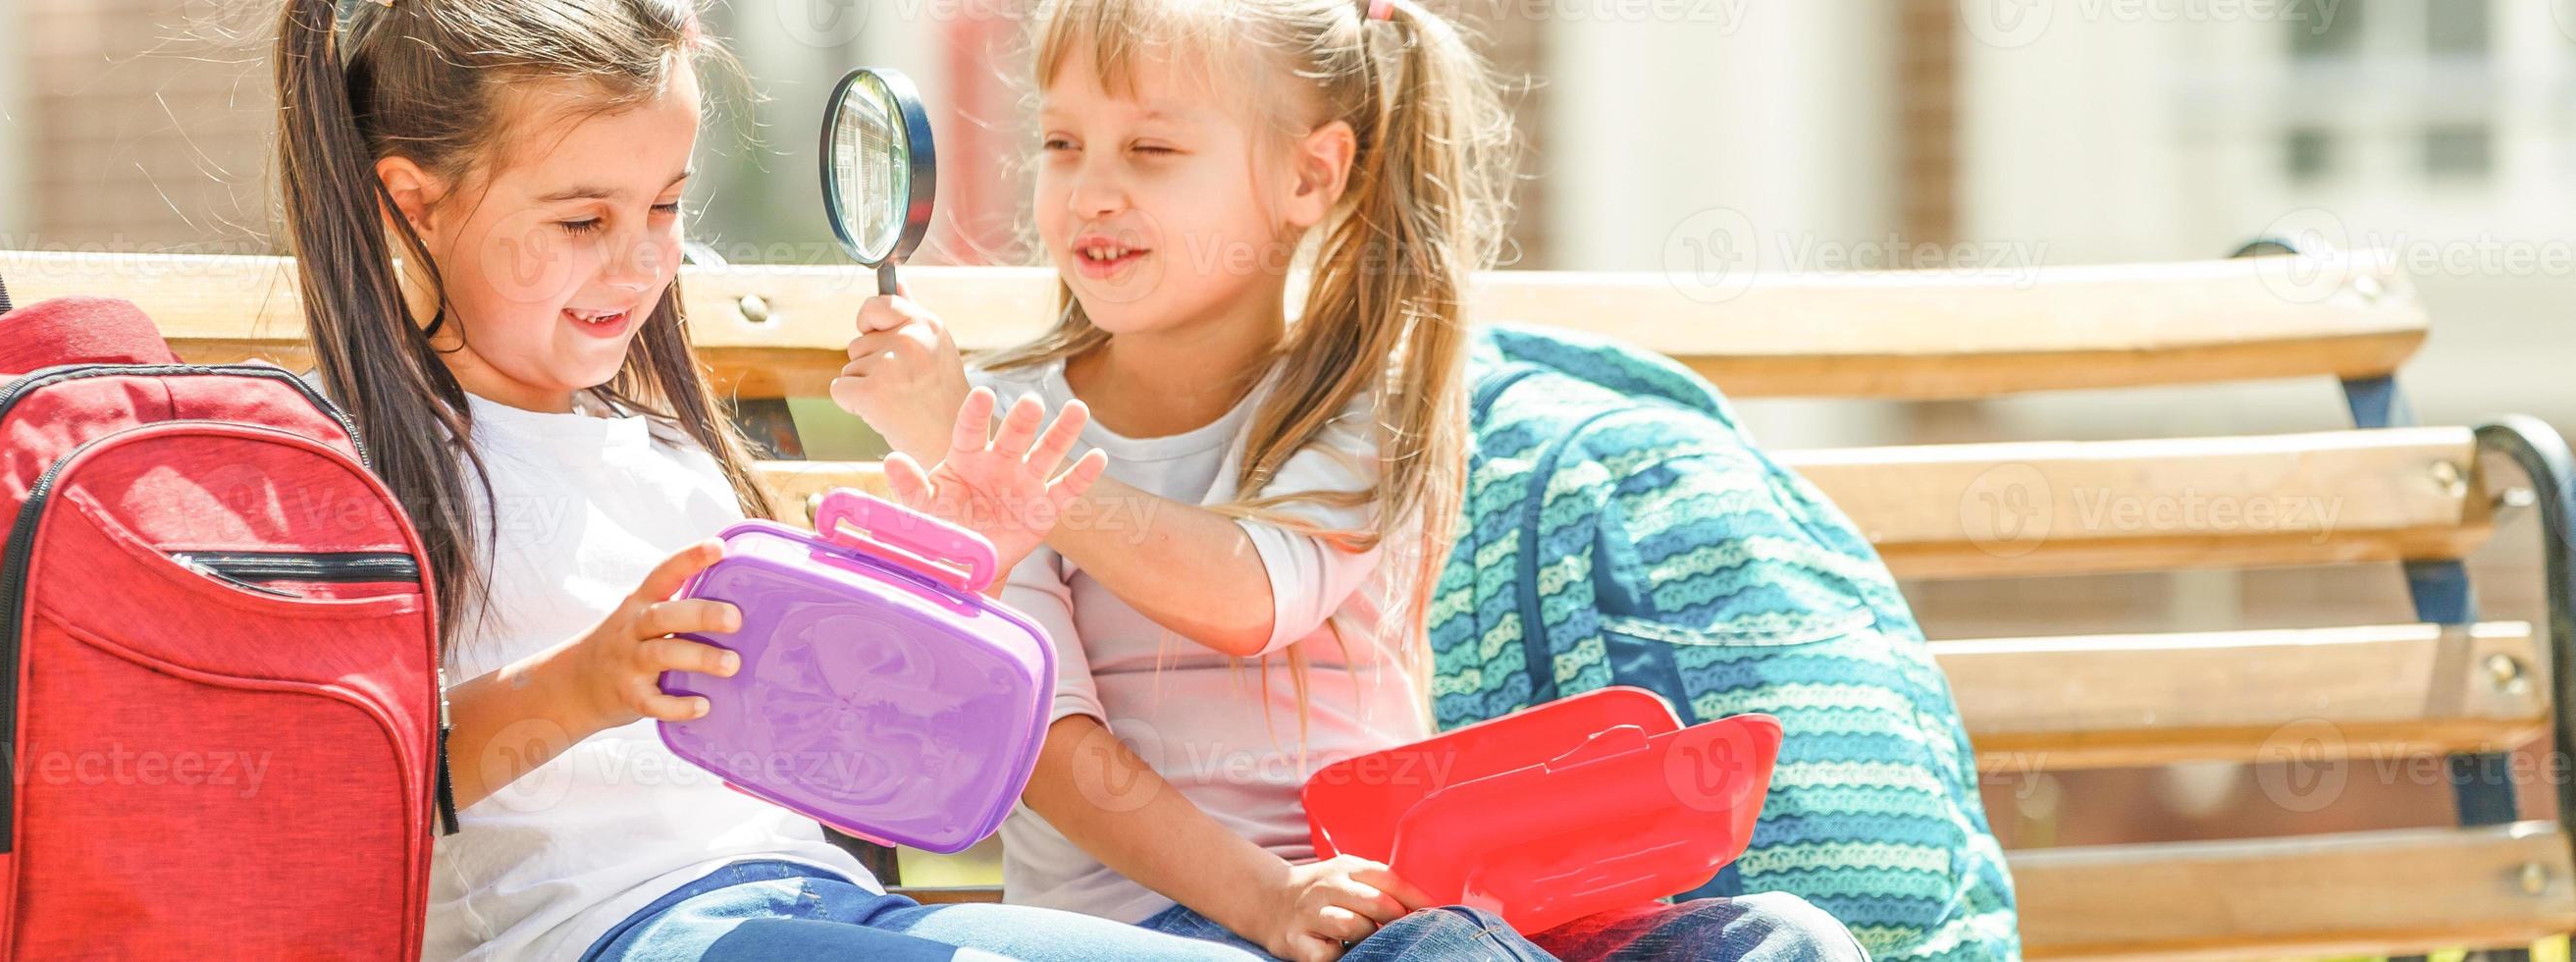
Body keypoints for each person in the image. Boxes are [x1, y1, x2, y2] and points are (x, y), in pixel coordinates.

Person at [832, 0, 1871, 958]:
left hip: (1394, 898)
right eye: (1062, 144)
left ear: (1309, 176)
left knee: (1784, 935)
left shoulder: (1360, 401)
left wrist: (986, 449)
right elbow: (1046, 746)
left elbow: (1243, 596)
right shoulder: (994, 413)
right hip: (1166, 924)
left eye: (1151, 148)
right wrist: (1268, 898)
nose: (1092, 190)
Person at [272, 1, 1266, 959]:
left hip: (808, 895)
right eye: (581, 220)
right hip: (608, 929)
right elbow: (344, 782)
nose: (640, 259)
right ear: (415, 203)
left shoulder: (670, 453)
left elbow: (841, 748)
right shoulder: (349, 460)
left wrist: (944, 599)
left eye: (665, 204)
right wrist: (579, 686)